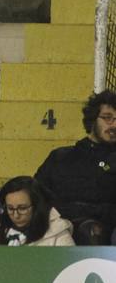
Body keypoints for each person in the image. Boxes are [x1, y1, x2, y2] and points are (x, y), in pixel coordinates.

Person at [34, 90, 116, 245]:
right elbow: (36, 194)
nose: (115, 125)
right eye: (108, 118)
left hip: (99, 228)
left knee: (92, 230)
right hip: (56, 225)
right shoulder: (60, 156)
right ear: (92, 119)